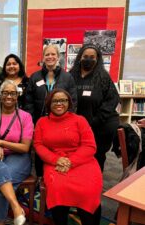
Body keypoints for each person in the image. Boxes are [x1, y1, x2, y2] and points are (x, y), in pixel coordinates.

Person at [33, 89, 102, 225]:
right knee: (58, 188)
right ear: (49, 104)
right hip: (54, 163)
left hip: (82, 162)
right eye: (55, 101)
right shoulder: (42, 122)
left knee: (88, 189)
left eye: (63, 100)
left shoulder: (79, 120)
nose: (59, 104)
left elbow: (90, 146)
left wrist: (71, 162)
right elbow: (38, 145)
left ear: (69, 103)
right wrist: (55, 160)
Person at [0, 80, 33, 225]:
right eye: (5, 93)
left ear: (17, 96)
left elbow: (25, 148)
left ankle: (0, 223)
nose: (9, 96)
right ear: (0, 95)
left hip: (19, 157)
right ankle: (16, 207)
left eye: (12, 93)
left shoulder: (25, 117)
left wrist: (1, 143)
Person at [24, 44, 77, 177]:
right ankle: (40, 180)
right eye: (47, 54)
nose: (50, 57)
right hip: (40, 122)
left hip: (60, 122)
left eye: (53, 54)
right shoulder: (35, 77)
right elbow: (28, 101)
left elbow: (73, 101)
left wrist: (68, 122)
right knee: (40, 151)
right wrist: (32, 122)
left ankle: (57, 180)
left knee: (58, 150)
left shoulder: (67, 77)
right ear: (43, 57)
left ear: (58, 57)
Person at [70, 44, 119, 171]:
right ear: (80, 57)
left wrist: (96, 120)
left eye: (92, 57)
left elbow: (113, 99)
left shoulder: (103, 76)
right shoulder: (72, 75)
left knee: (96, 157)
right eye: (85, 56)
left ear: (97, 59)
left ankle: (95, 184)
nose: (88, 59)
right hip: (79, 125)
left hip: (100, 125)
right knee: (78, 155)